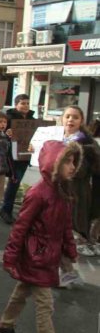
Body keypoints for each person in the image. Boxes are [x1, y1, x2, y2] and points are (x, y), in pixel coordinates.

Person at [0, 141, 81, 333]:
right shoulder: (38, 193)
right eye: (68, 161)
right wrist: (10, 258)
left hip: (47, 258)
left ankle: (4, 326)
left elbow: (65, 227)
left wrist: (70, 251)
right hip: (36, 257)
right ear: (55, 163)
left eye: (74, 161)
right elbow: (20, 228)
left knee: (22, 292)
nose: (73, 167)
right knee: (45, 305)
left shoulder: (62, 191)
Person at [61, 106, 100, 256]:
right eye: (68, 116)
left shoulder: (86, 141)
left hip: (77, 186)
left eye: (75, 117)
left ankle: (80, 239)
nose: (70, 120)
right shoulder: (53, 136)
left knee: (77, 213)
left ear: (81, 120)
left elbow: (91, 168)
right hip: (56, 184)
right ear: (62, 118)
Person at [0, 94, 35, 224]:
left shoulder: (32, 119)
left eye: (27, 103)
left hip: (25, 156)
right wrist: (6, 133)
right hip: (11, 156)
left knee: (15, 183)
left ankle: (6, 209)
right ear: (16, 105)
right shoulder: (9, 118)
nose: (26, 106)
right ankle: (5, 211)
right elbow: (0, 131)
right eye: (23, 103)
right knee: (14, 183)